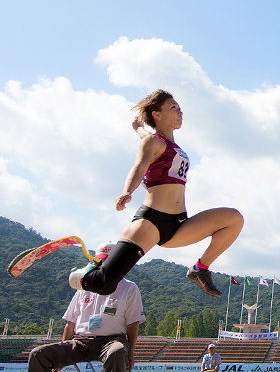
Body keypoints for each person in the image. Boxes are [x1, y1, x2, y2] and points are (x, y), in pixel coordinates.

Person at [69, 89, 244, 298]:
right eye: (173, 108)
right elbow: (139, 167)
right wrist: (127, 192)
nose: (180, 112)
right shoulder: (152, 142)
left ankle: (200, 269)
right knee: (104, 284)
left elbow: (147, 137)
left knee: (234, 219)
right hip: (151, 221)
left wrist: (138, 129)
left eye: (180, 108)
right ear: (157, 115)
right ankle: (83, 273)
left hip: (179, 224)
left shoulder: (163, 143)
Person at [26, 241, 145, 372]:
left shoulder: (129, 288)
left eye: (107, 262)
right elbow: (70, 323)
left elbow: (133, 324)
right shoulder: (84, 286)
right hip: (81, 341)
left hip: (111, 341)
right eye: (99, 261)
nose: (102, 266)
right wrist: (63, 346)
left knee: (117, 352)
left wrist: (130, 353)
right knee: (39, 354)